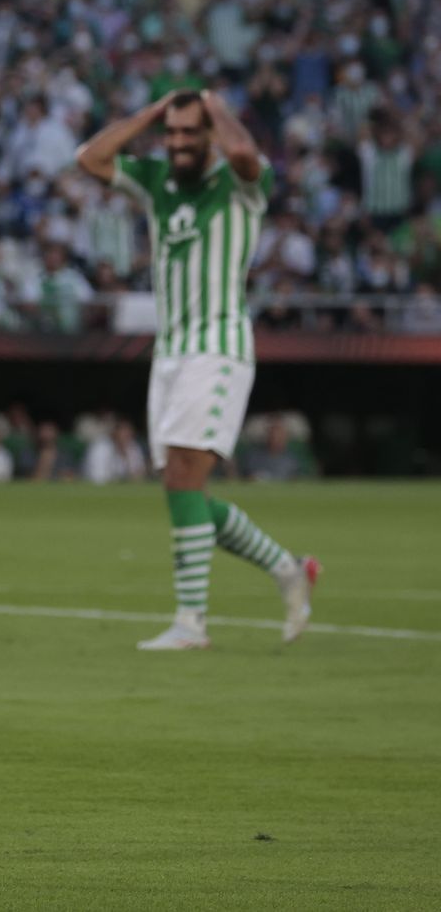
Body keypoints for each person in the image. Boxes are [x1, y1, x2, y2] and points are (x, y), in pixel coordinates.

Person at [76, 89, 319, 650]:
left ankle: (192, 623)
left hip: (219, 344)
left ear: (211, 134)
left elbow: (244, 157)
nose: (180, 144)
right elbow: (90, 159)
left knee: (186, 475)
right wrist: (151, 114)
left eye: (191, 133)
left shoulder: (240, 186)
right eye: (174, 134)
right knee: (182, 486)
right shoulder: (158, 180)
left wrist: (217, 109)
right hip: (172, 350)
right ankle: (288, 569)